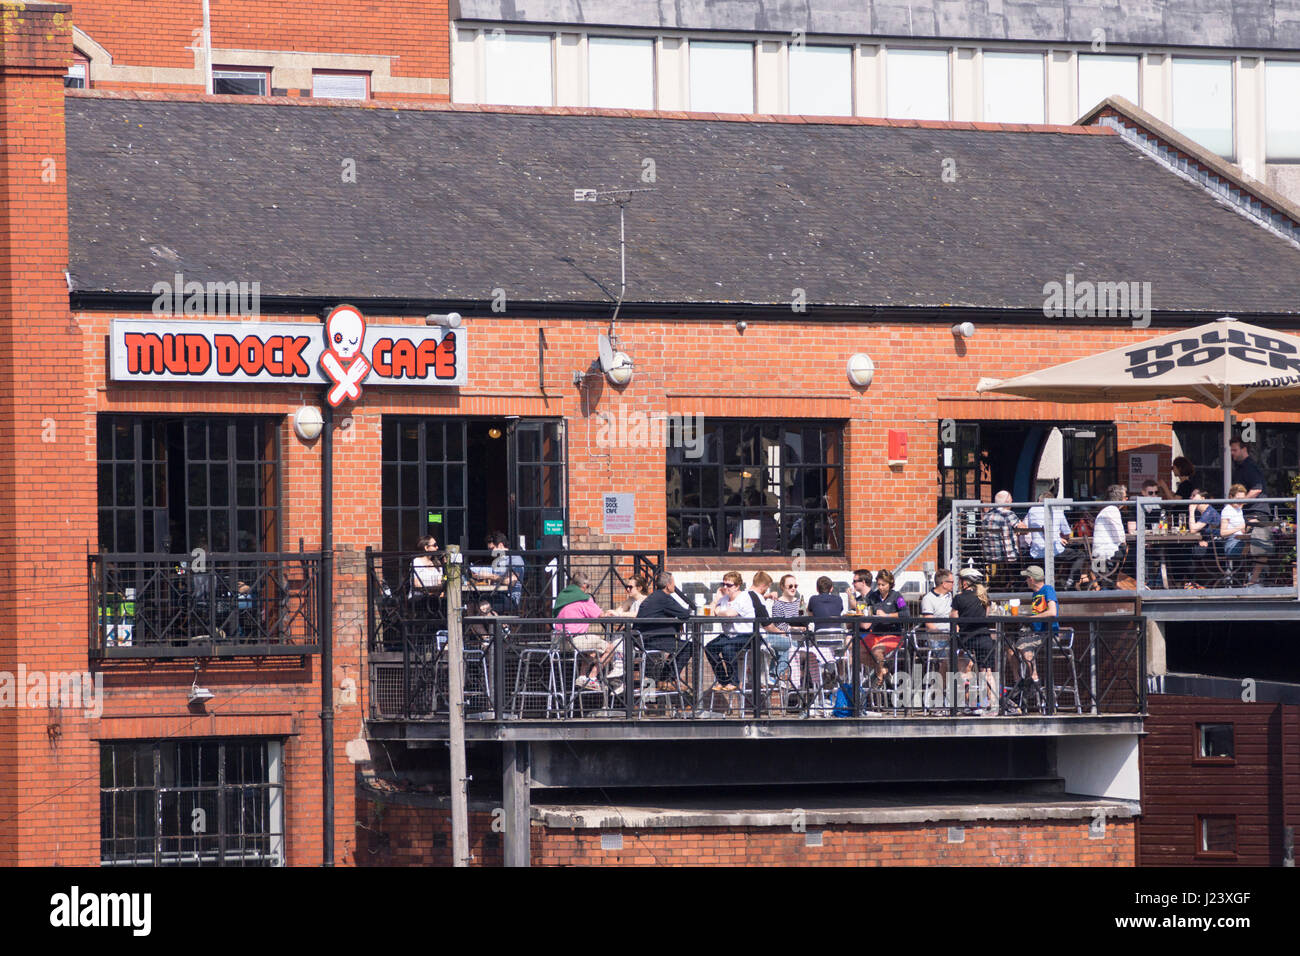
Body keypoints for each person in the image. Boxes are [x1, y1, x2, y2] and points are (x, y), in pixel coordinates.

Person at [949, 568, 997, 714]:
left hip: (966, 640)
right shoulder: (984, 597)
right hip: (984, 638)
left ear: (965, 583)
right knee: (987, 672)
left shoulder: (959, 598)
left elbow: (953, 618)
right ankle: (993, 706)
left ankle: (965, 704)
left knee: (964, 670)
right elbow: (987, 616)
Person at [636, 571, 694, 688]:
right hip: (653, 641)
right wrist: (679, 620)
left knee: (678, 648)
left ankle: (665, 678)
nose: (674, 586)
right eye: (673, 583)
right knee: (690, 646)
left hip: (642, 640)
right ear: (668, 585)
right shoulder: (664, 598)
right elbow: (684, 613)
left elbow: (661, 614)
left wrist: (676, 623)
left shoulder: (655, 596)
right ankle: (669, 679)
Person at [1012, 565, 1058, 712]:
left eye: (1026, 578)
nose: (1026, 581)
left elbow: (1052, 612)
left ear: (1031, 579)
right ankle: (1020, 682)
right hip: (1036, 634)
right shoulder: (1034, 594)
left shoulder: (1048, 590)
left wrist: (1031, 618)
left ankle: (1034, 680)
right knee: (1010, 648)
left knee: (1024, 648)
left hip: (1048, 634)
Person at [1229, 439, 1274, 586]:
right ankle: (1250, 578)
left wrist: (1240, 503)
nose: (1232, 453)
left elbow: (1257, 489)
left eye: (1234, 450)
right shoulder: (1241, 468)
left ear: (1244, 449)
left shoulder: (1250, 467)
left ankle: (1255, 579)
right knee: (1248, 544)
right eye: (1231, 450)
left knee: (1259, 544)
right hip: (1249, 513)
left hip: (1257, 512)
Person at [554, 570, 608, 690]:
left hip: (558, 642)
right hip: (575, 641)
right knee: (611, 648)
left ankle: (582, 677)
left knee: (592, 651)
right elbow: (600, 615)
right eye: (588, 586)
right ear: (584, 586)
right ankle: (592, 677)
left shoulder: (563, 596)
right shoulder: (584, 599)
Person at [1021, 492, 1087, 589]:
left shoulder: (1032, 510)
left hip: (1037, 552)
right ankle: (1070, 582)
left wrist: (1056, 537)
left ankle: (1057, 581)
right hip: (1054, 552)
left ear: (1039, 501)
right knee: (1080, 555)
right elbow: (1067, 532)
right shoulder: (1057, 510)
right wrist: (1059, 538)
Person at [705, 571, 756, 691]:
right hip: (729, 635)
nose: (725, 588)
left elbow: (730, 614)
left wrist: (718, 611)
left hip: (746, 634)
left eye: (729, 585)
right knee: (709, 648)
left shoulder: (744, 597)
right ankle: (723, 680)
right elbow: (710, 614)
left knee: (728, 648)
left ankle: (734, 682)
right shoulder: (723, 599)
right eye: (724, 584)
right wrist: (716, 599)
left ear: (737, 586)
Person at [863, 569, 907, 688]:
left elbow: (905, 614)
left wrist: (887, 615)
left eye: (884, 585)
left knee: (877, 651)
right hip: (876, 633)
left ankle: (879, 676)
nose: (881, 587)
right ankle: (882, 669)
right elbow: (865, 607)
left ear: (890, 584)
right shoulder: (873, 596)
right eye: (878, 584)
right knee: (854, 649)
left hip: (892, 634)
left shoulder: (897, 596)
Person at [1090, 484, 1128, 586]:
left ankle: (1116, 584)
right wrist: (1124, 543)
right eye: (1125, 497)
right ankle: (1127, 584)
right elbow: (1119, 534)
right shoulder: (1113, 510)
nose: (1127, 499)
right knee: (1132, 554)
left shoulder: (1107, 510)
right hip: (1106, 555)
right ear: (1120, 498)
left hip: (1099, 554)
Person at [477, 531, 524, 610]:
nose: (490, 552)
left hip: (510, 598)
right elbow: (492, 582)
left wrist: (490, 576)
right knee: (471, 603)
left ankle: (496, 621)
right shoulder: (497, 560)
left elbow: (511, 581)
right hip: (496, 595)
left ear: (501, 545)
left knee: (482, 607)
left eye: (492, 549)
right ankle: (494, 620)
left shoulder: (515, 558)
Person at [981, 491, 1021, 584]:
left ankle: (998, 584)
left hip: (988, 556)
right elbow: (1023, 529)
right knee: (1023, 556)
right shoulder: (1008, 513)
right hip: (1006, 556)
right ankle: (1015, 585)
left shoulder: (987, 515)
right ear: (1007, 502)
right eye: (1011, 500)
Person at [919, 569, 954, 660]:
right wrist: (945, 635)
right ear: (944, 583)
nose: (954, 584)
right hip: (937, 638)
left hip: (953, 637)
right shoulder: (928, 599)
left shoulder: (952, 597)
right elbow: (929, 625)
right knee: (947, 658)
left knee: (967, 655)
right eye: (952, 582)